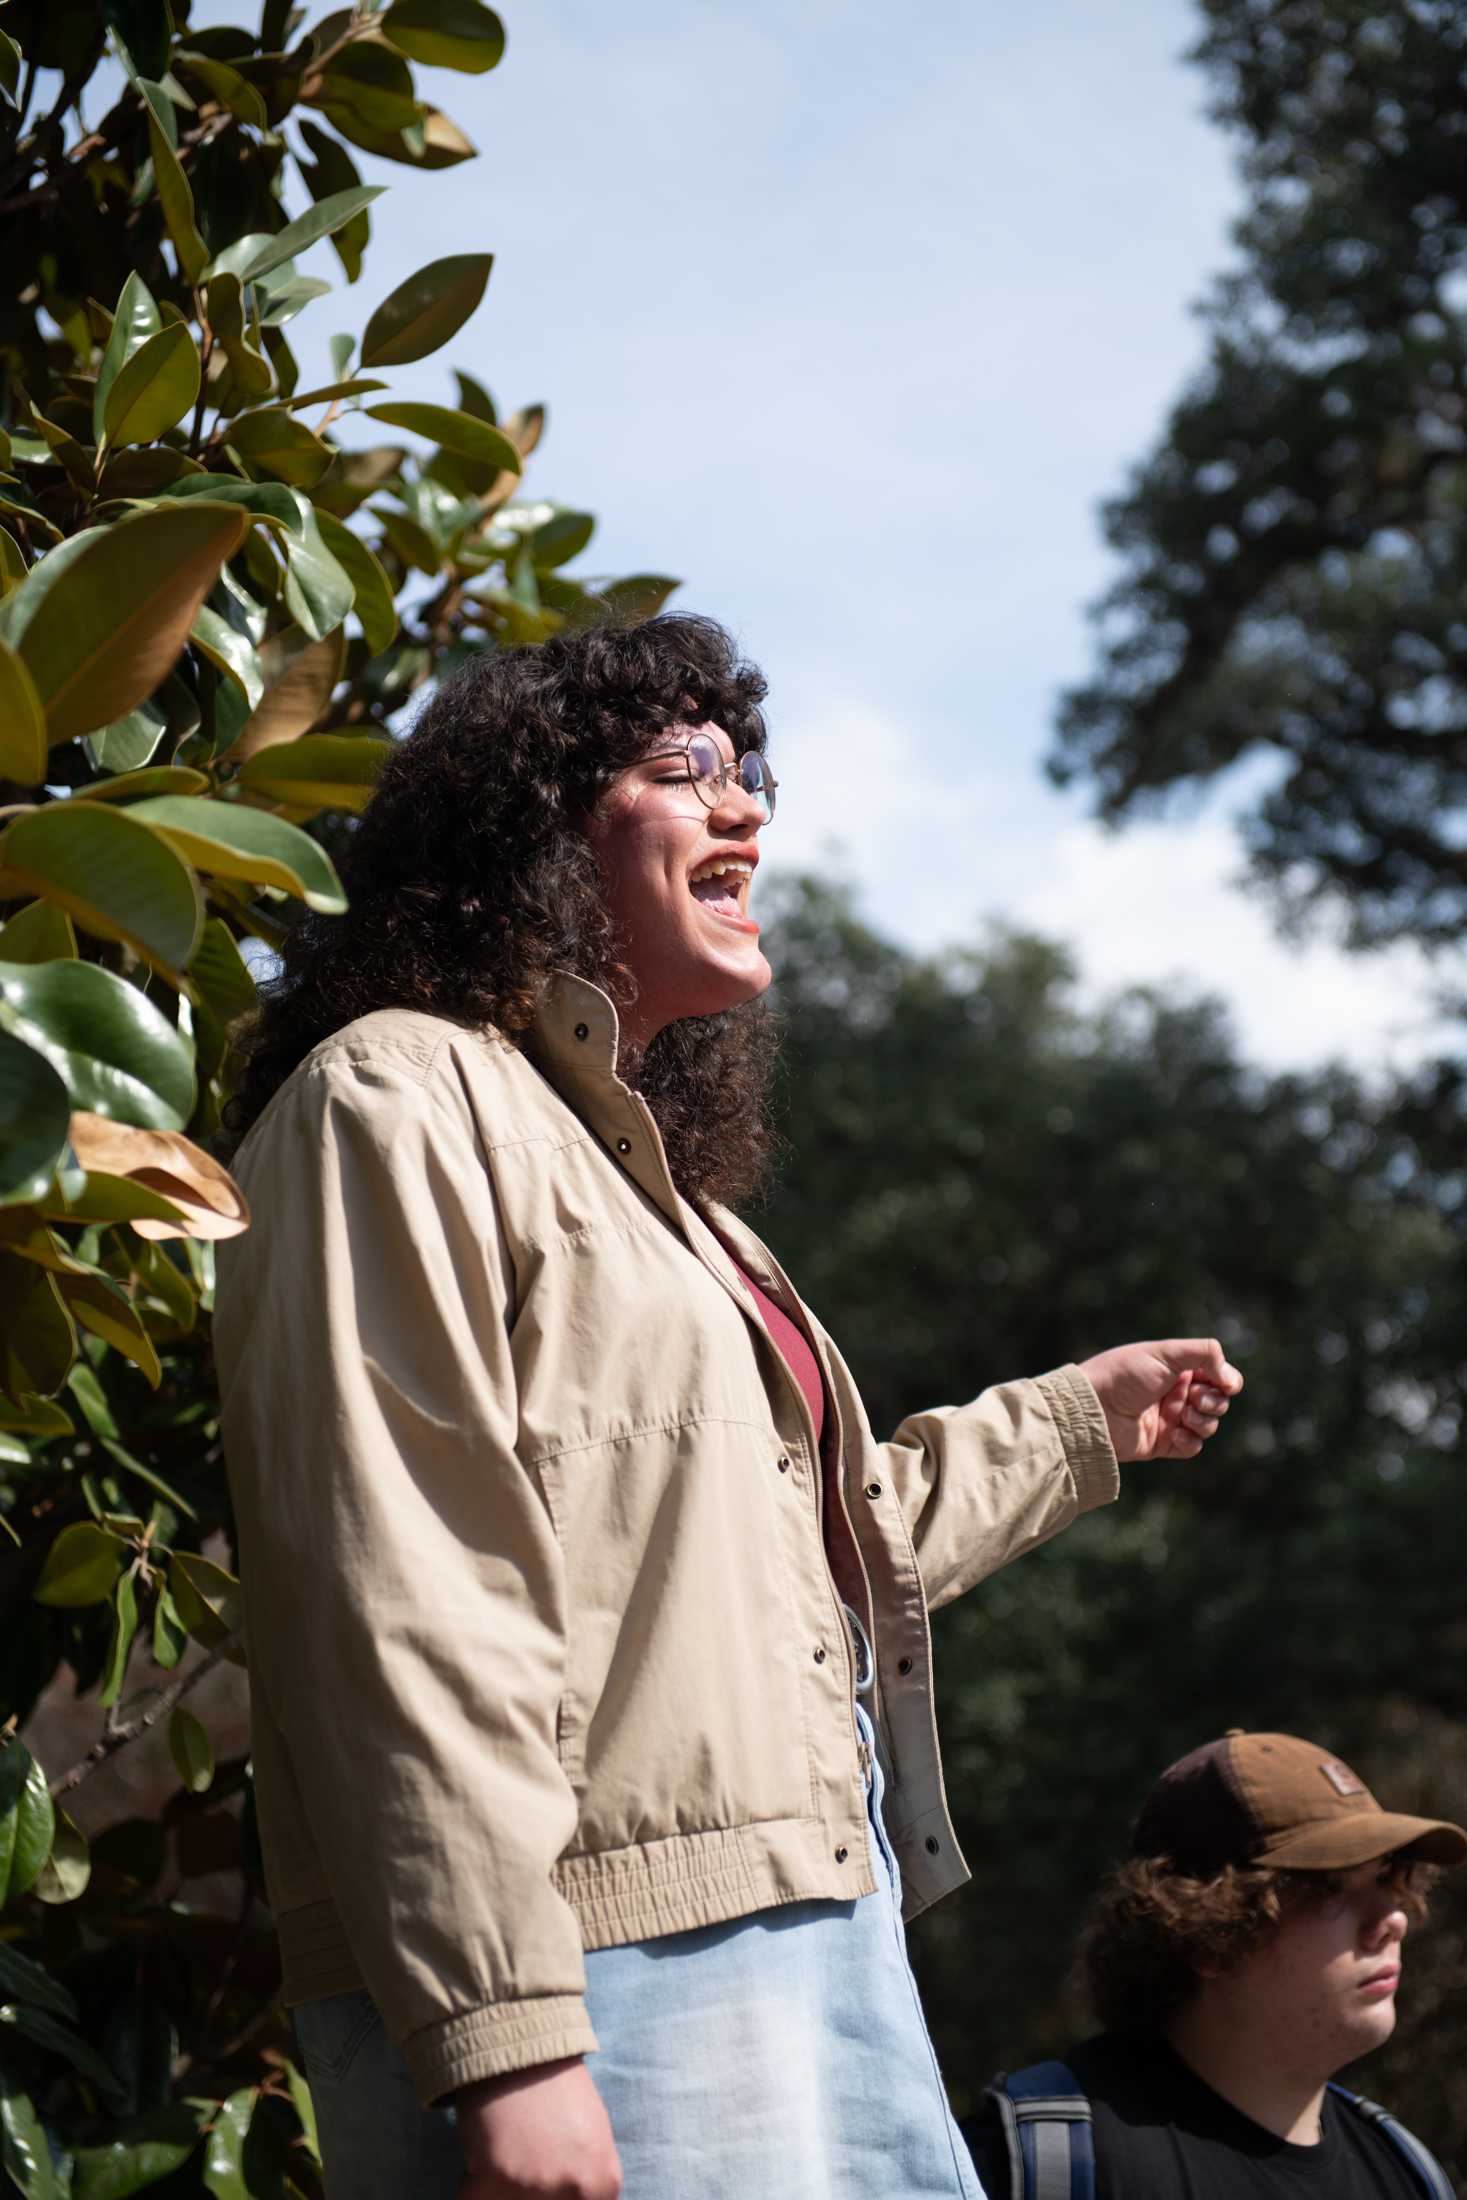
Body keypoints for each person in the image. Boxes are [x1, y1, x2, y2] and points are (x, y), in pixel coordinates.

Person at [213, 614, 1244, 2200]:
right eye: (679, 770)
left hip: (823, 1945)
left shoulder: (691, 1218)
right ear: (533, 836)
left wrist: (1069, 1425)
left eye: (746, 768)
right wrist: (506, 2038)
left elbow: (810, 1551)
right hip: (598, 1983)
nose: (746, 806)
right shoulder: (390, 1096)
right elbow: (395, 1585)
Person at [963, 1727, 1467, 2200]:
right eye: (1330, 1890)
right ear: (1209, 1930)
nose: (1393, 1919)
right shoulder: (1032, 2160)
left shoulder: (1408, 2172)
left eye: (1386, 1880)